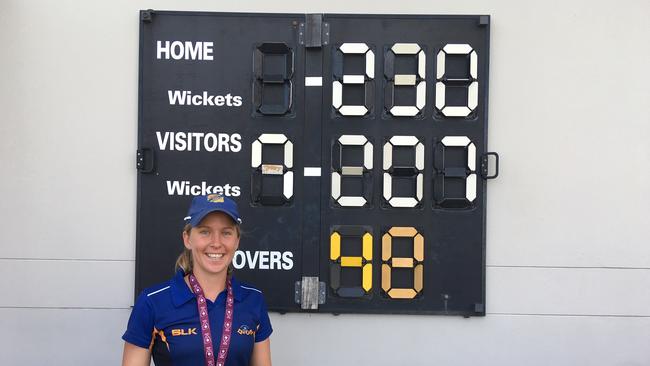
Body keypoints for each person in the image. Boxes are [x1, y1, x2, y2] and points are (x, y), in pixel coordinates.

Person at [122, 194, 272, 366]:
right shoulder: (152, 301)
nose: (216, 243)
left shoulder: (253, 300)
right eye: (205, 232)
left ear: (237, 241)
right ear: (187, 239)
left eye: (226, 233)